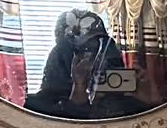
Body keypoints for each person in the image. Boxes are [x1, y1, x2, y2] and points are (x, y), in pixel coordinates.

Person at [23, 10, 159, 119]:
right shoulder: (36, 109)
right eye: (83, 51)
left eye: (100, 49)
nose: (95, 59)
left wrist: (149, 101)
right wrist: (78, 89)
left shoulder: (124, 100)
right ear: (63, 55)